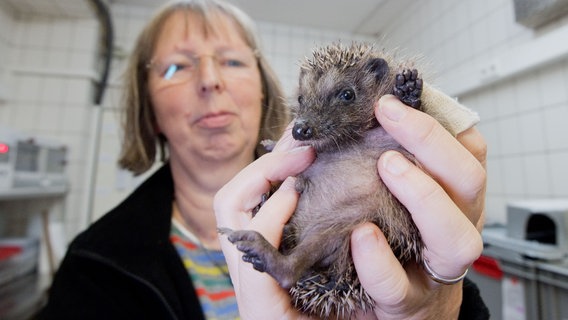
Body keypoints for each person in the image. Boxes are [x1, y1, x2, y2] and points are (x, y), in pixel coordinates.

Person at [40, 0, 489, 319]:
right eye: (177, 66)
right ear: (147, 108)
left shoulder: (359, 149)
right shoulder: (93, 268)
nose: (210, 81)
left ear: (261, 89)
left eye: (232, 61)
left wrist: (440, 304)